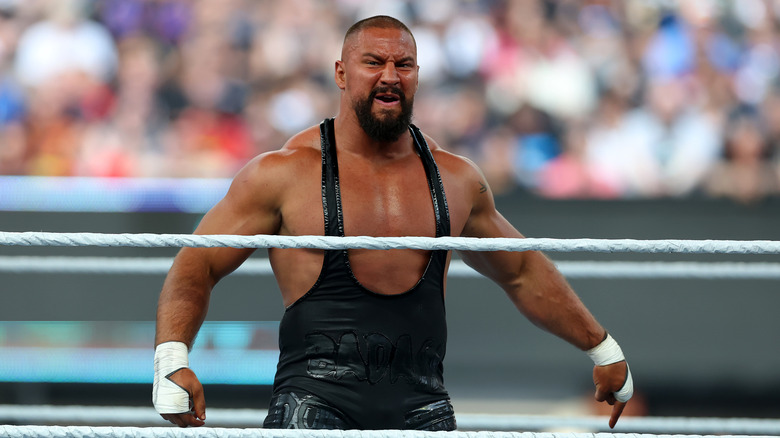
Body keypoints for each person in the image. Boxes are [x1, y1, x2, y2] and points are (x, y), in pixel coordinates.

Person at [152, 15, 633, 431]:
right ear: (341, 73)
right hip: (312, 405)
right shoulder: (283, 173)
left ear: (417, 75)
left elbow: (521, 271)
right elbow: (198, 264)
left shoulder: (456, 178)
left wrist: (602, 347)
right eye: (373, 62)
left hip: (422, 407)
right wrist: (171, 360)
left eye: (402, 65)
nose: (389, 76)